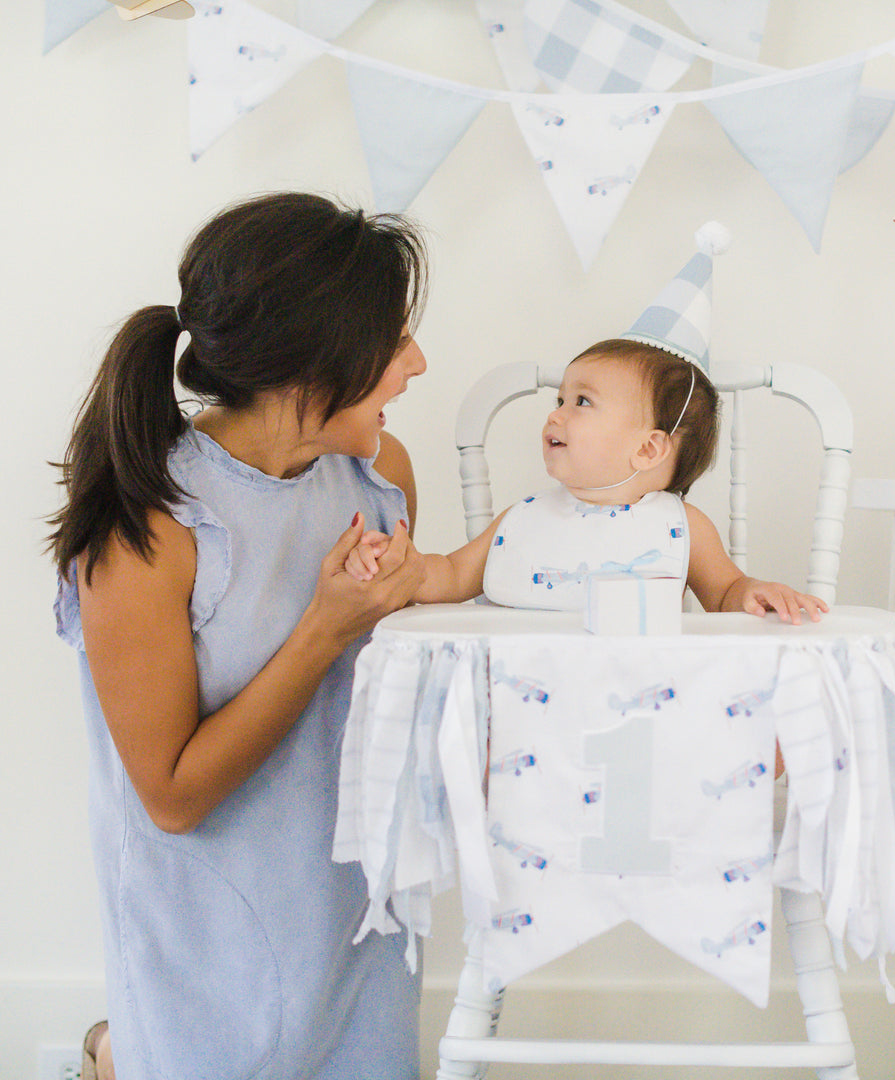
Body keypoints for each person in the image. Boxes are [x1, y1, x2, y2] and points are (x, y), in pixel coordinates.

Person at [49, 192, 429, 1080]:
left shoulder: (380, 477)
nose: (416, 363)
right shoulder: (149, 531)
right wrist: (324, 630)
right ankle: (118, 1056)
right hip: (208, 937)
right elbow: (173, 798)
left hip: (355, 904)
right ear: (309, 367)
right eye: (392, 342)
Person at [348, 337, 828, 624]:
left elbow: (725, 594)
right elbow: (451, 576)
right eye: (559, 399)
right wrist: (404, 565)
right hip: (527, 703)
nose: (557, 414)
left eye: (581, 402)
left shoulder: (681, 527)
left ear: (647, 449)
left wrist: (754, 594)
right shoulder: (523, 518)